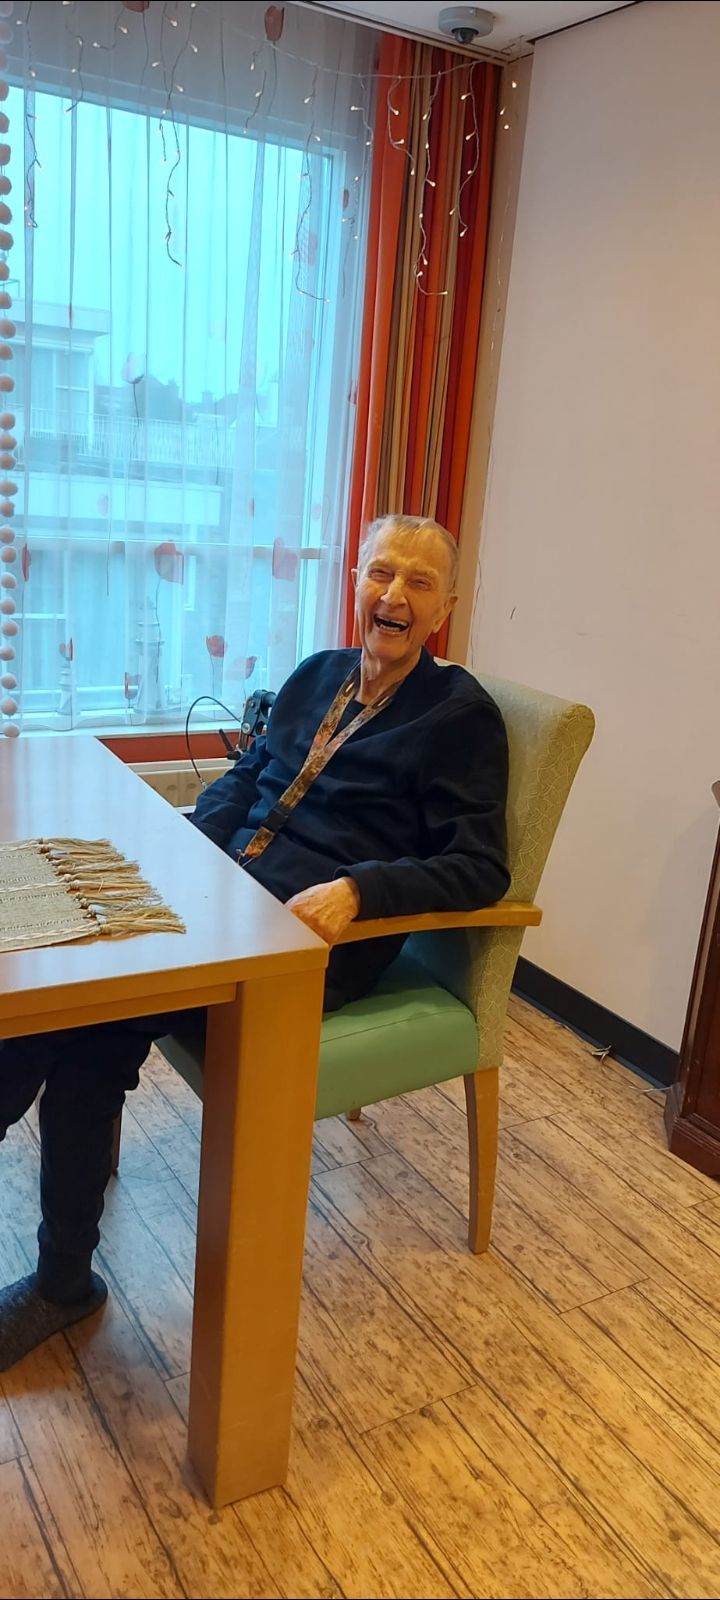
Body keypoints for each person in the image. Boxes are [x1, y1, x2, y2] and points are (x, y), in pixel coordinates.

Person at [0, 514, 510, 1370]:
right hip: (217, 901)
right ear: (356, 580)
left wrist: (361, 889)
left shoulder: (460, 719)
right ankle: (64, 1281)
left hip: (302, 942)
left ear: (446, 607)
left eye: (419, 582)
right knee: (64, 981)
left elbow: (482, 866)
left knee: (77, 1014)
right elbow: (248, 776)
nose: (394, 595)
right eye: (381, 572)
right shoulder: (317, 674)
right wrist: (187, 846)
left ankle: (61, 1284)